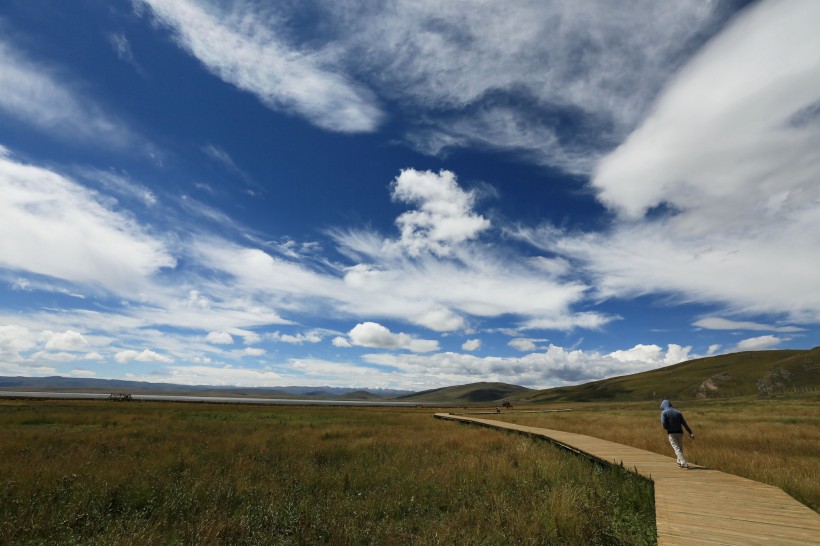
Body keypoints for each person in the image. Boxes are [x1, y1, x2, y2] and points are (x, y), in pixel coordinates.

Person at [660, 400, 694, 468]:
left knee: (676, 448)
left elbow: (664, 424)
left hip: (671, 433)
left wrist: (666, 427)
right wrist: (690, 432)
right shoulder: (678, 412)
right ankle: (679, 462)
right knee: (680, 448)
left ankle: (683, 463)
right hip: (680, 432)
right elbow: (684, 423)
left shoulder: (664, 412)